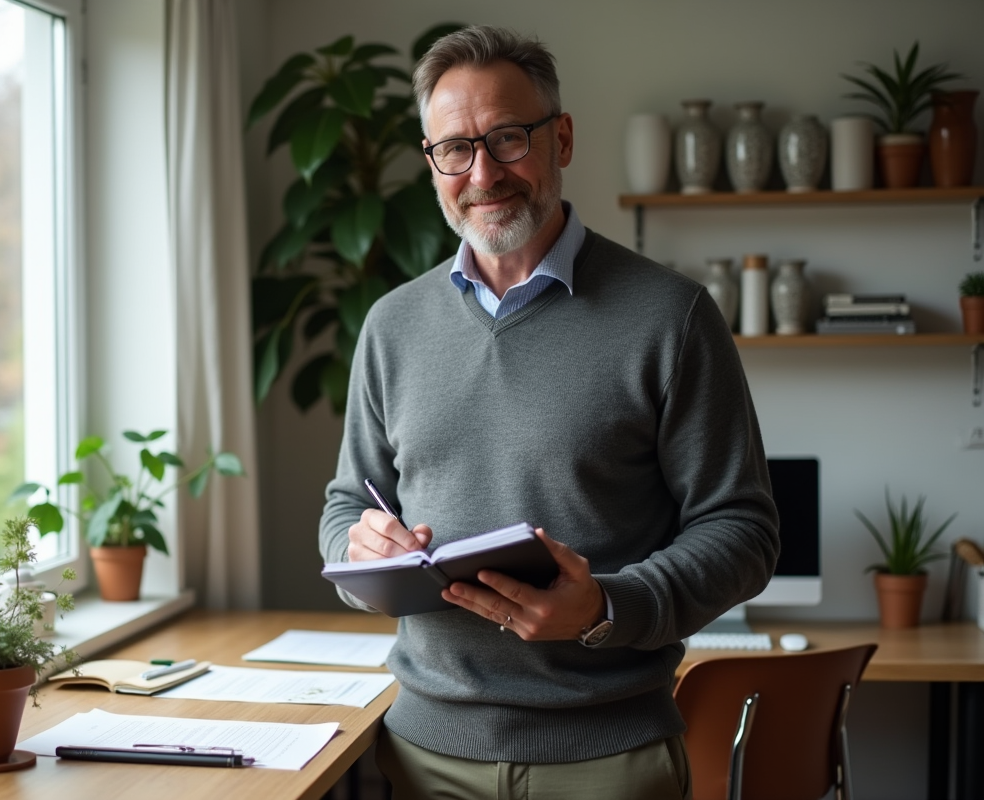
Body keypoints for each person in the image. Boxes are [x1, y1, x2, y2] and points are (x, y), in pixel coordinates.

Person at [318, 25, 779, 800]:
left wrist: (605, 606)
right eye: (455, 150)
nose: (484, 173)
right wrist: (363, 549)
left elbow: (744, 531)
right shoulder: (391, 325)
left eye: (507, 138)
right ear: (432, 163)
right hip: (419, 755)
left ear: (560, 137)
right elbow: (345, 505)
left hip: (608, 758)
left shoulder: (674, 317)